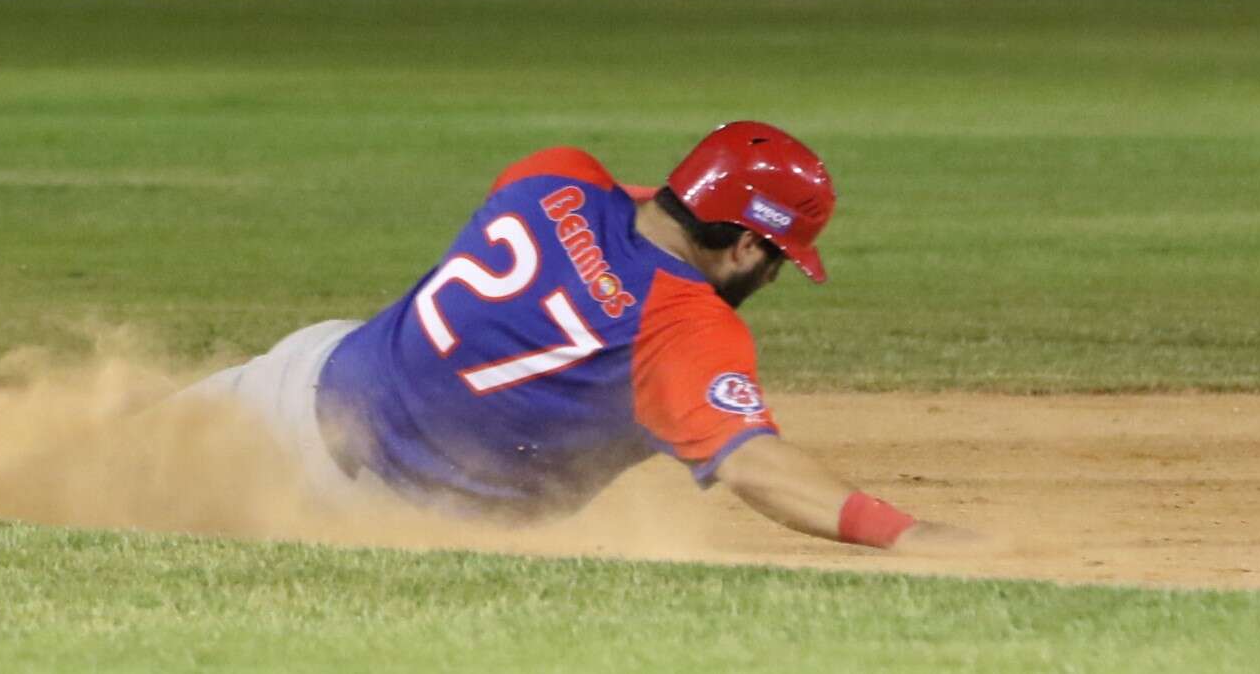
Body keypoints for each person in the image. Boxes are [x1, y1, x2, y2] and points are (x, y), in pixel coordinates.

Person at [188, 121, 974, 552]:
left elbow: (624, 210)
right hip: (353, 507)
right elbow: (752, 467)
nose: (772, 279)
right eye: (777, 260)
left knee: (88, 473)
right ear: (744, 245)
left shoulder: (552, 174)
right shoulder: (684, 328)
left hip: (291, 381)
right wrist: (900, 531)